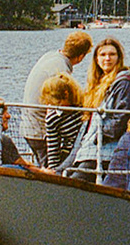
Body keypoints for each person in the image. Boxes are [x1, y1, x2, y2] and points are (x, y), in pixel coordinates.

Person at [69, 36, 130, 177]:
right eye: (103, 55)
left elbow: (122, 119)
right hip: (88, 150)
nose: (107, 58)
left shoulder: (123, 84)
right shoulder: (96, 85)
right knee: (63, 173)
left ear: (118, 58)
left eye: (112, 54)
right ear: (96, 59)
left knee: (75, 180)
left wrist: (99, 136)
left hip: (106, 153)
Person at [22, 29, 93, 165]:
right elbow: (65, 102)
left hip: (28, 126)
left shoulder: (50, 56)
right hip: (41, 130)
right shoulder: (61, 71)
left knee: (45, 166)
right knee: (51, 168)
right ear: (81, 56)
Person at [39, 73, 85, 165]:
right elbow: (53, 148)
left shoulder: (83, 106)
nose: (56, 107)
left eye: (58, 103)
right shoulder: (52, 119)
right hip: (69, 153)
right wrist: (53, 168)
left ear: (66, 95)